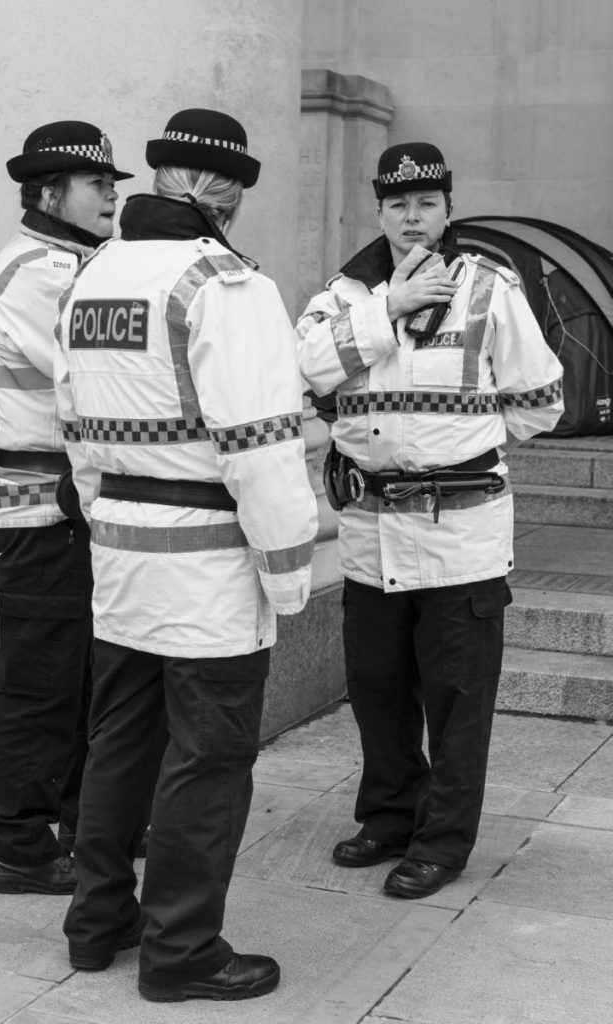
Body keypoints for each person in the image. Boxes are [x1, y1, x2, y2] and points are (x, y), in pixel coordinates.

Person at [55, 108, 318, 1001]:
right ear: (228, 196)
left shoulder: (92, 276)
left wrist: (108, 519)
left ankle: (97, 923)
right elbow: (265, 450)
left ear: (162, 179)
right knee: (207, 762)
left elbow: (77, 433)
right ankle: (180, 952)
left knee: (118, 744)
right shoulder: (226, 286)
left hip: (123, 557)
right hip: (209, 567)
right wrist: (289, 576)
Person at [297, 141, 564, 900]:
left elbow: (540, 400)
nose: (412, 219)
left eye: (427, 204)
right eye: (397, 205)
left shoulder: (488, 288)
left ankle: (442, 841)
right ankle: (387, 817)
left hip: (460, 535)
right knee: (377, 687)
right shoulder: (344, 294)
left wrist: (464, 445)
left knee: (456, 697)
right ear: (377, 210)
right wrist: (389, 311)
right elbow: (303, 368)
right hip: (369, 533)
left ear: (448, 210)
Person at [0, 121, 133, 895]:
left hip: (71, 510)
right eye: (98, 184)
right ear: (47, 193)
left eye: (112, 184)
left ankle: (75, 823)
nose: (112, 195)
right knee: (39, 683)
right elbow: (93, 377)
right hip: (40, 509)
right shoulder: (38, 273)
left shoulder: (78, 263)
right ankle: (20, 849)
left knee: (79, 678)